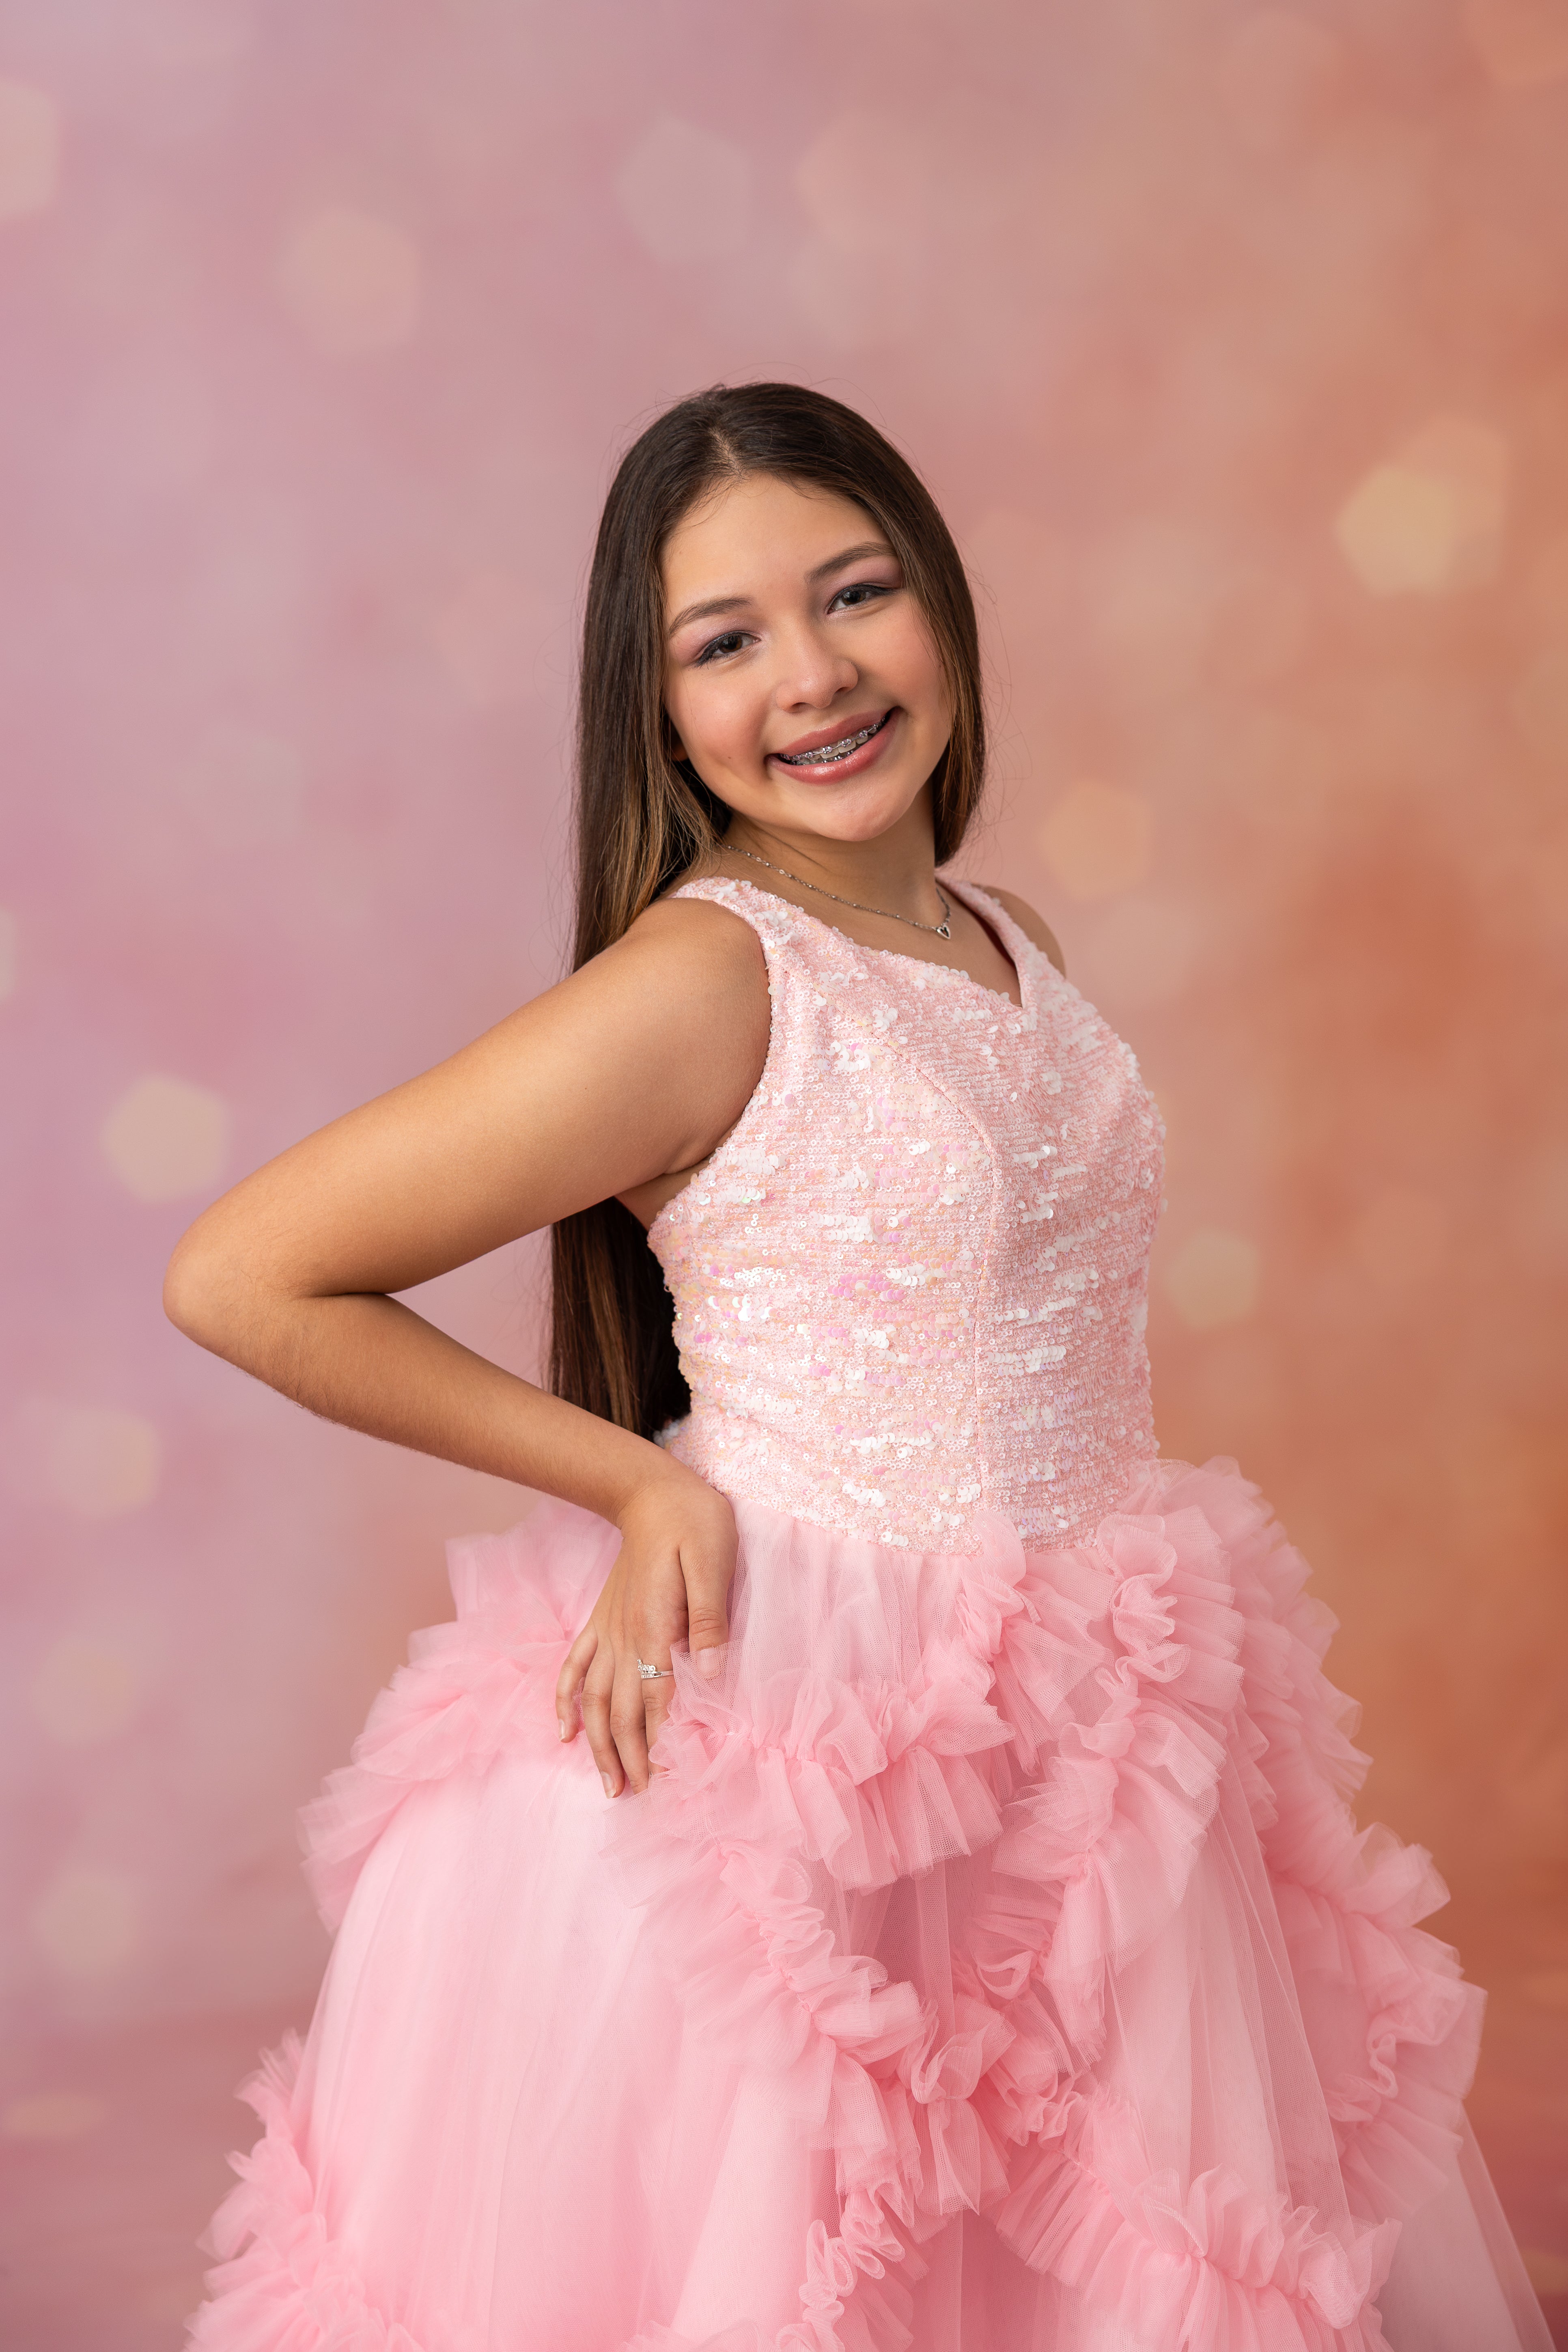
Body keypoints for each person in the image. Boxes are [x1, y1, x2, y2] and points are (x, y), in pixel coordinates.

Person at [167, 383, 1551, 2352]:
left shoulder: (1007, 935)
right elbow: (247, 1272)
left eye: (856, 595)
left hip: (1093, 1703)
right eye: (725, 644)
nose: (812, 678)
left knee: (1097, 2242)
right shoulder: (711, 976)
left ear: (945, 611)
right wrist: (638, 1479)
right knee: (819, 2249)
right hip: (813, 1731)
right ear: (658, 713)